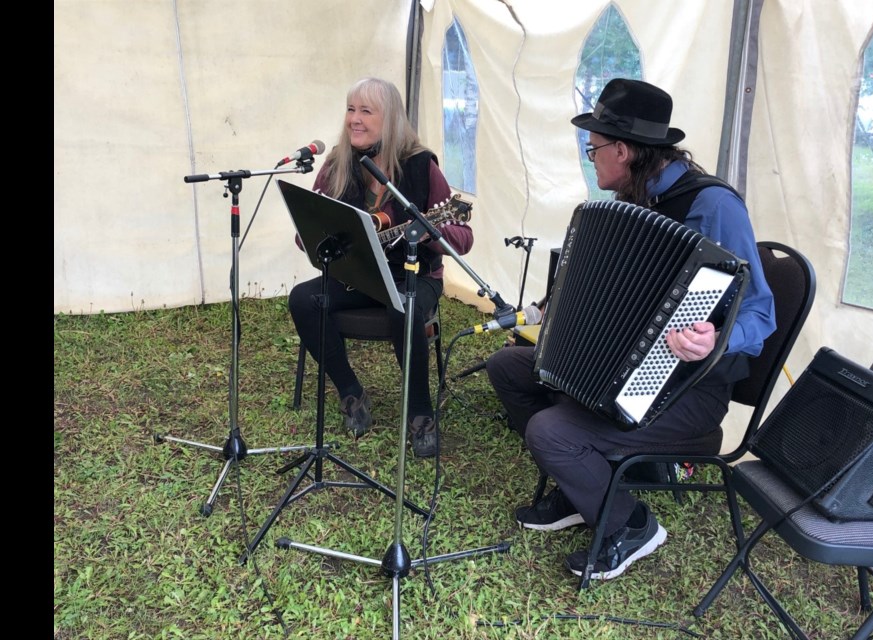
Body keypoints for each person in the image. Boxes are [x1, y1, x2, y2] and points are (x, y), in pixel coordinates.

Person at [486, 78, 776, 581]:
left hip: (691, 388)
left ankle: (631, 524)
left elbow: (760, 314)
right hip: (621, 369)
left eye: (593, 148)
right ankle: (584, 487)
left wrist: (714, 338)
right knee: (509, 367)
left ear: (623, 150)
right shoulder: (633, 199)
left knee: (549, 430)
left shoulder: (711, 206)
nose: (589, 157)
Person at [289, 77, 473, 458]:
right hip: (357, 277)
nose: (354, 119)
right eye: (351, 109)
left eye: (366, 111)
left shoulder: (421, 166)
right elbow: (309, 231)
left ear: (389, 118)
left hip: (414, 276)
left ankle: (421, 414)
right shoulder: (337, 163)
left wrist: (429, 235)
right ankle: (351, 392)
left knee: (403, 305)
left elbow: (463, 236)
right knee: (303, 299)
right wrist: (314, 234)